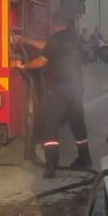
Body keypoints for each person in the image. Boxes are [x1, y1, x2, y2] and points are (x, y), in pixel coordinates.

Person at [14, 10, 92, 178]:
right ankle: (85, 159)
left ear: (53, 24)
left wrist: (22, 65)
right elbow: (47, 45)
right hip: (76, 88)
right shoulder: (74, 37)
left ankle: (50, 167)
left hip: (59, 90)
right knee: (78, 124)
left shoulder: (55, 39)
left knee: (51, 126)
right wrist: (25, 39)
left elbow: (41, 61)